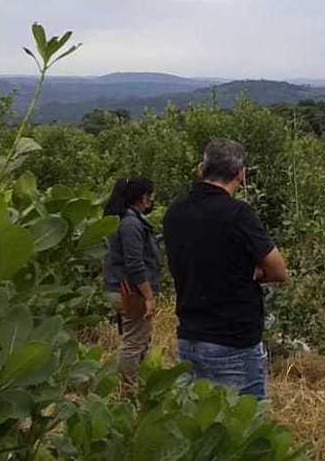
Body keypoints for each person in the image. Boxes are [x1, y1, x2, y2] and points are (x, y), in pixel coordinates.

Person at [163, 139, 289, 399]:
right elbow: (279, 270)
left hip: (189, 337)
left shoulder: (175, 212)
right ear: (241, 173)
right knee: (243, 430)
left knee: (197, 428)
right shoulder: (238, 214)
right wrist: (254, 273)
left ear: (201, 169)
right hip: (233, 340)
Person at [102, 177, 159, 388]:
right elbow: (135, 263)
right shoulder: (131, 224)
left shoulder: (119, 220)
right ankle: (128, 390)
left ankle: (133, 384)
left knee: (136, 339)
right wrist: (149, 296)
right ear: (142, 197)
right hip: (130, 290)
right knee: (134, 342)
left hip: (119, 287)